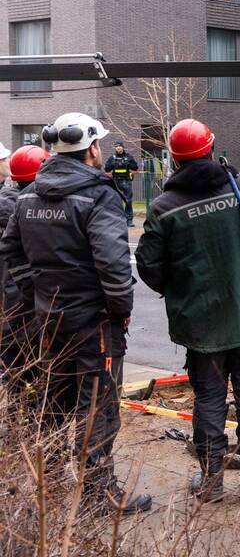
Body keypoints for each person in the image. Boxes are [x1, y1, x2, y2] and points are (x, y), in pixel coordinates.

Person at [135, 119, 240, 505]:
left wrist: (180, 288)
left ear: (174, 160)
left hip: (202, 326)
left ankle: (211, 482)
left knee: (209, 399)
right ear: (213, 149)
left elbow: (148, 265)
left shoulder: (164, 208)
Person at [0, 114, 151, 515]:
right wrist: (119, 311)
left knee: (57, 401)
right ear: (92, 149)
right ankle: (98, 497)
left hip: (49, 320)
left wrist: (38, 295)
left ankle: (49, 485)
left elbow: (11, 251)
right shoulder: (98, 196)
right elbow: (114, 268)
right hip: (93, 323)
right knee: (98, 406)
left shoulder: (29, 196)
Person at [0, 145, 49, 379]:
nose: (7, 162)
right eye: (4, 158)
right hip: (24, 301)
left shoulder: (14, 203)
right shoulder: (21, 206)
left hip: (13, 299)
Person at [104, 140, 139, 227]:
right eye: (116, 146)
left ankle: (129, 220)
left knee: (128, 201)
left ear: (123, 147)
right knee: (115, 201)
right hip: (115, 181)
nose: (118, 148)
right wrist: (111, 164)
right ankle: (117, 220)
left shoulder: (129, 157)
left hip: (126, 181)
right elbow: (107, 169)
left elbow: (135, 167)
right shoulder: (112, 158)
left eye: (119, 146)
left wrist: (129, 163)